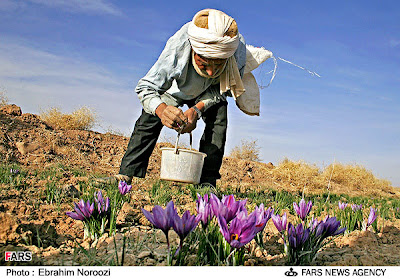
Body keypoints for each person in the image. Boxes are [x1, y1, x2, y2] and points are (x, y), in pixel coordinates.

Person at [107, 9, 247, 187]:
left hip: (210, 93)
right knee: (149, 118)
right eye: (203, 64)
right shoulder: (179, 45)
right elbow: (146, 87)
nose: (211, 72)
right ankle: (126, 176)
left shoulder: (236, 49)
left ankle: (207, 182)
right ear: (193, 50)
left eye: (218, 64)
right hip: (177, 88)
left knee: (219, 118)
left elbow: (224, 90)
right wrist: (162, 110)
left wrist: (197, 109)